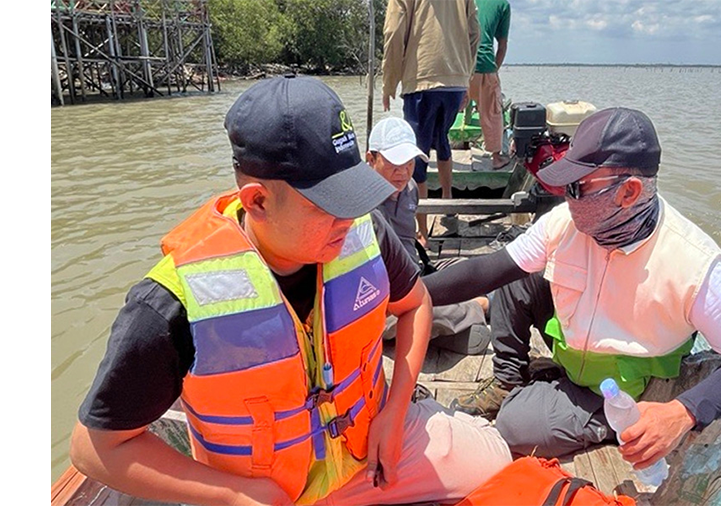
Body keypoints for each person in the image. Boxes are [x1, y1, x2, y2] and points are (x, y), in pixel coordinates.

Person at [69, 75, 511, 506]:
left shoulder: (363, 229)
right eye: (329, 204)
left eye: (354, 194)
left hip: (369, 456)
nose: (350, 217)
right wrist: (231, 494)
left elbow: (416, 305)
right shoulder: (172, 303)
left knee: (498, 463)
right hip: (269, 494)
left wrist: (395, 412)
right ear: (258, 201)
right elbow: (94, 448)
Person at [422, 107, 721, 471]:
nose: (566, 198)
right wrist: (406, 293)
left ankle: (598, 420)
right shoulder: (565, 225)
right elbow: (487, 270)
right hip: (571, 349)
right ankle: (511, 379)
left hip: (618, 391)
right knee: (517, 273)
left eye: (577, 188)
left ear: (629, 191)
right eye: (565, 185)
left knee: (514, 426)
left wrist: (681, 412)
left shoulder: (695, 265)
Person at [366, 116, 491, 355]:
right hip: (385, 294)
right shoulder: (361, 205)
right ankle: (480, 308)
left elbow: (407, 242)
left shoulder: (410, 188)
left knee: (466, 267)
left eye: (409, 163)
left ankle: (456, 323)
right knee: (414, 312)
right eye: (394, 163)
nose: (403, 172)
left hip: (415, 273)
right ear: (371, 159)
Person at [381, 0, 481, 243]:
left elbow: (394, 32)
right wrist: (465, 75)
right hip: (455, 80)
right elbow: (474, 32)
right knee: (442, 139)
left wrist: (389, 82)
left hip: (421, 78)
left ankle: (422, 231)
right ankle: (448, 202)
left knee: (418, 154)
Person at [470, 0, 511, 170]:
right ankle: (496, 158)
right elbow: (502, 46)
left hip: (459, 63)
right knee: (492, 112)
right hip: (484, 63)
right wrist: (494, 70)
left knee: (452, 107)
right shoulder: (502, 5)